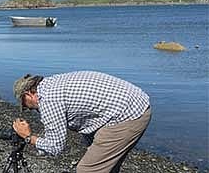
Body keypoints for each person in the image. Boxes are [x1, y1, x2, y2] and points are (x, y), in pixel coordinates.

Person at [11, 71, 151, 173]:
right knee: (105, 166)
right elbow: (83, 117)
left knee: (87, 169)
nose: (28, 109)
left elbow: (55, 147)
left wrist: (28, 137)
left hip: (128, 114)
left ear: (28, 94)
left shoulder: (48, 100)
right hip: (129, 104)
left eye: (25, 104)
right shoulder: (50, 84)